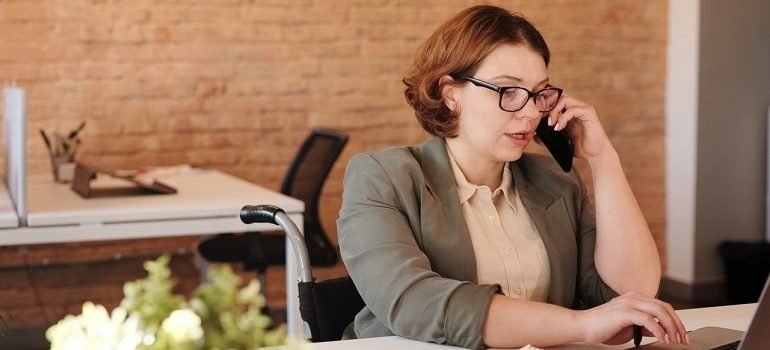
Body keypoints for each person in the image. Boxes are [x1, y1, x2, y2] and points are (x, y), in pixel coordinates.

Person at [337, 5, 687, 349]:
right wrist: (580, 324)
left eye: (539, 93)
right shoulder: (381, 177)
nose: (532, 111)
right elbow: (413, 302)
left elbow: (630, 295)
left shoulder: (555, 181)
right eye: (509, 91)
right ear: (451, 94)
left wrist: (602, 158)